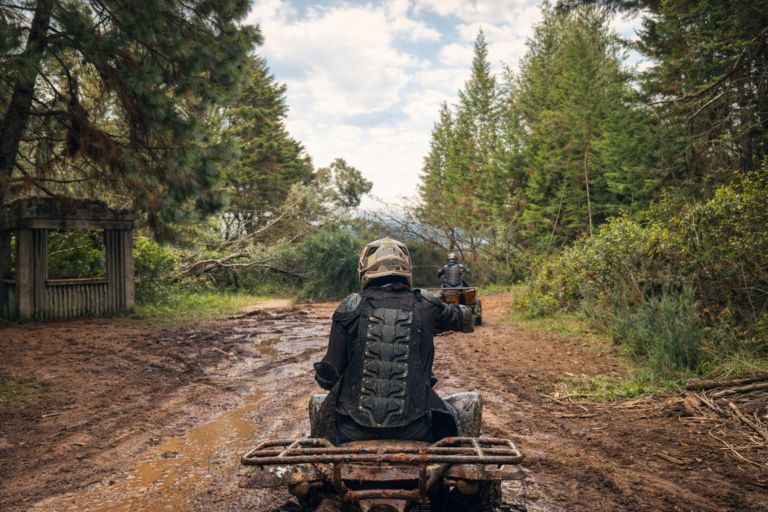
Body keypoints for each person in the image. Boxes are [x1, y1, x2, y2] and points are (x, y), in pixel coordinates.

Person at [311, 237, 474, 446]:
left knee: (319, 434)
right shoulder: (426, 304)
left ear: (365, 268)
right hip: (414, 428)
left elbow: (329, 376)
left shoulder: (349, 307)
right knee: (451, 414)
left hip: (352, 429)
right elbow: (466, 319)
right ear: (406, 268)